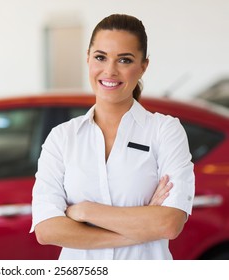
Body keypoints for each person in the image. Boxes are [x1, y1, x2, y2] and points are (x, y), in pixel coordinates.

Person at [30, 14, 195, 260]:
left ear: (143, 66)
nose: (110, 71)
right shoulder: (62, 138)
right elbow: (47, 229)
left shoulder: (165, 131)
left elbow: (168, 224)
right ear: (87, 58)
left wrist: (84, 211)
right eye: (100, 57)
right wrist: (140, 225)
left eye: (125, 60)